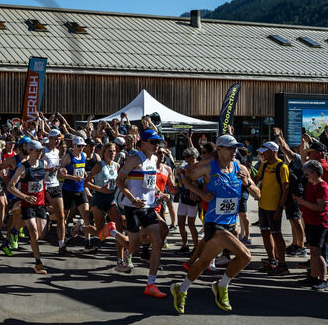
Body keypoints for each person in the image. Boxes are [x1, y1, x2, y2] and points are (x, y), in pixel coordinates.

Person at [171, 135, 260, 314]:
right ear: (219, 149)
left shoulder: (241, 168)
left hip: (231, 225)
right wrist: (200, 193)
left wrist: (247, 183)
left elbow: (258, 195)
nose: (234, 151)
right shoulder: (207, 167)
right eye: (230, 148)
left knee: (203, 262)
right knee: (246, 256)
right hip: (214, 223)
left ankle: (180, 290)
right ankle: (222, 286)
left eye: (236, 147)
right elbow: (183, 177)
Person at [105, 129, 171, 297]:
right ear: (143, 143)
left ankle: (151, 284)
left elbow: (150, 183)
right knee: (134, 248)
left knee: (157, 241)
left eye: (158, 143)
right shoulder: (134, 159)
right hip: (133, 207)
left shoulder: (155, 159)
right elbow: (119, 181)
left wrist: (159, 193)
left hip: (148, 208)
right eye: (154, 142)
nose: (157, 146)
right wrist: (133, 200)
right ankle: (112, 231)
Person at [6, 138, 50, 274]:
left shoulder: (44, 163)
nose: (40, 153)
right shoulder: (23, 167)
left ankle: (15, 228)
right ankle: (38, 262)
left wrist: (60, 174)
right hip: (27, 204)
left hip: (40, 204)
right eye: (37, 151)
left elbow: (44, 178)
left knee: (41, 234)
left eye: (41, 151)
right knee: (33, 232)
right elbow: (10, 186)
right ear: (30, 151)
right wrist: (25, 197)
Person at [293, 160, 328, 291]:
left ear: (315, 173)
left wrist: (302, 202)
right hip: (310, 221)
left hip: (319, 223)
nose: (306, 176)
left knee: (317, 251)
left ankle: (323, 279)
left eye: (308, 174)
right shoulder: (311, 185)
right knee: (313, 251)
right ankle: (313, 276)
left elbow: (320, 207)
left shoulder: (323, 187)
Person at [254, 142, 289, 274]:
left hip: (274, 207)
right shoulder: (265, 165)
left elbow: (286, 189)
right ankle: (271, 260)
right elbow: (256, 180)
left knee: (276, 234)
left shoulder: (282, 166)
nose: (262, 154)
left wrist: (280, 208)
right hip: (262, 204)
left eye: (265, 151)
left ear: (273, 151)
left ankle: (283, 264)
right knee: (265, 232)